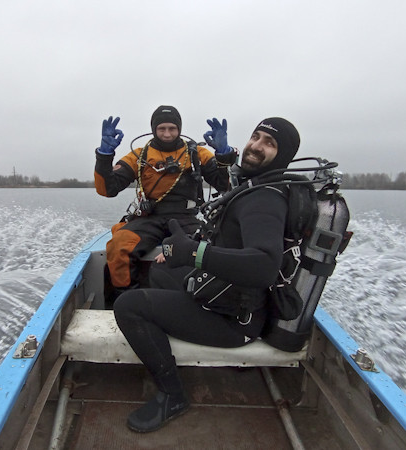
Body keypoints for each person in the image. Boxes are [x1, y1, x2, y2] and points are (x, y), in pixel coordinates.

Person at [113, 117, 301, 432]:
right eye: (256, 136)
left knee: (128, 306)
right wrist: (185, 251)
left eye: (270, 143)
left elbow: (265, 265)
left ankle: (172, 395)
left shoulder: (265, 199)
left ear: (283, 156)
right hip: (225, 295)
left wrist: (195, 254)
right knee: (160, 271)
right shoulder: (255, 186)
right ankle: (184, 320)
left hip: (234, 320)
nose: (256, 146)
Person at [94, 105, 236, 296]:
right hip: (149, 217)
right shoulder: (139, 155)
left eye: (172, 128)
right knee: (119, 246)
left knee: (209, 248)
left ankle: (200, 298)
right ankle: (129, 298)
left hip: (186, 217)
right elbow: (107, 189)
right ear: (154, 129)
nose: (167, 134)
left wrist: (224, 155)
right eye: (162, 129)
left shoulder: (196, 153)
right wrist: (104, 156)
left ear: (179, 129)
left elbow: (226, 185)